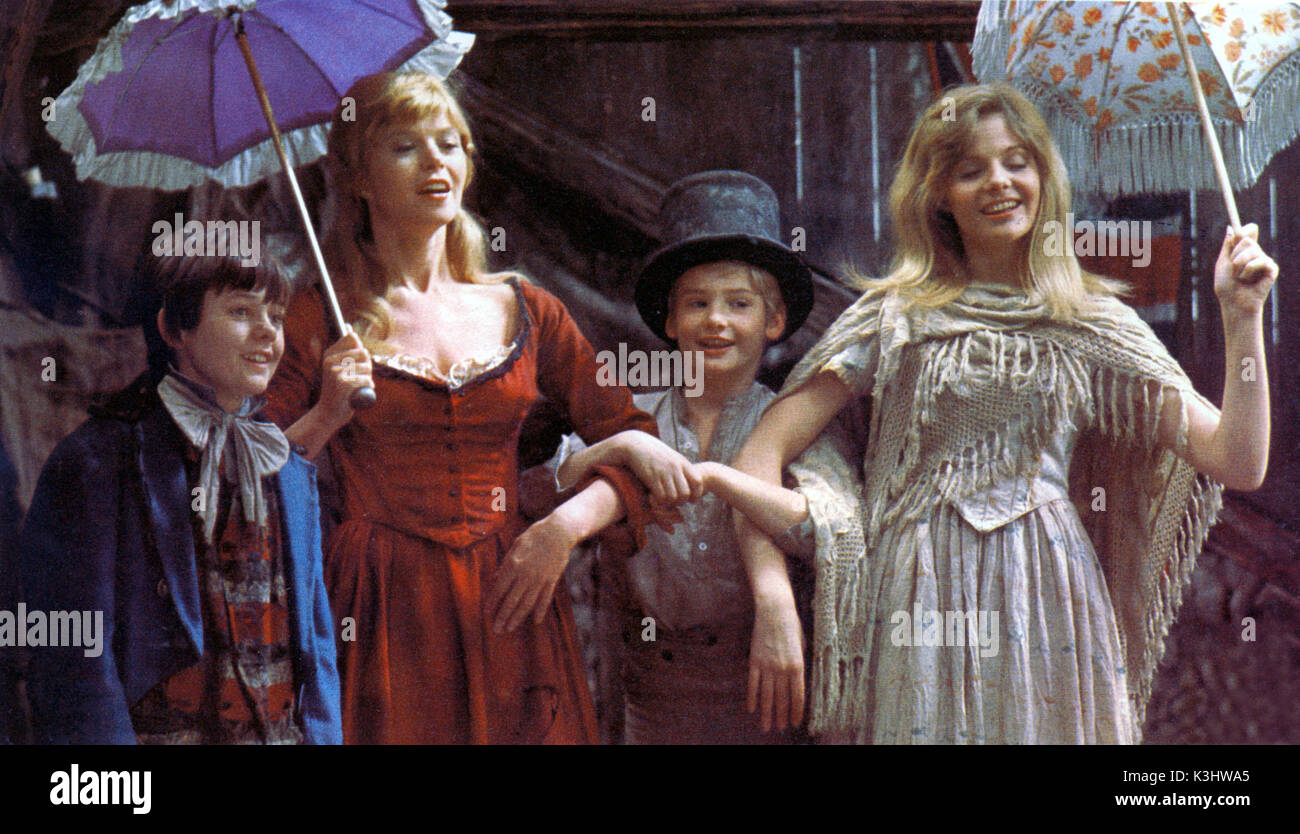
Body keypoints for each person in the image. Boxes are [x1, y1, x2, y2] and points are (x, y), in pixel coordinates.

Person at [731, 83, 1279, 744]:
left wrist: (1241, 318)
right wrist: (772, 601)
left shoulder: (1089, 323)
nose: (1000, 182)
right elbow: (759, 457)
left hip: (1047, 599)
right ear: (938, 195)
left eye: (1018, 162)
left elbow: (1237, 461)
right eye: (970, 169)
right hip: (917, 601)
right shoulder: (895, 317)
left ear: (1044, 178)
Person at [264, 71, 693, 744]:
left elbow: (633, 438)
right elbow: (249, 474)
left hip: (510, 598)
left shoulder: (528, 308)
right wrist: (324, 414)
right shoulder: (317, 315)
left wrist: (562, 530)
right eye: (405, 146)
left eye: (450, 142)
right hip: (378, 610)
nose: (437, 161)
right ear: (358, 177)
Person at [548, 170, 856, 742]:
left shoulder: (792, 423)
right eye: (697, 303)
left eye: (739, 303)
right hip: (650, 693)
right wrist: (620, 445)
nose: (716, 320)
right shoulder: (635, 411)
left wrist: (718, 477)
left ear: (774, 321)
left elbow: (827, 527)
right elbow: (555, 476)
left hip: (761, 690)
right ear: (669, 321)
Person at [20, 254, 342, 744]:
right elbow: (74, 662)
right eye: (240, 312)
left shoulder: (289, 471)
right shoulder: (98, 461)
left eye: (275, 316)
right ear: (174, 328)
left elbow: (316, 656)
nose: (267, 333)